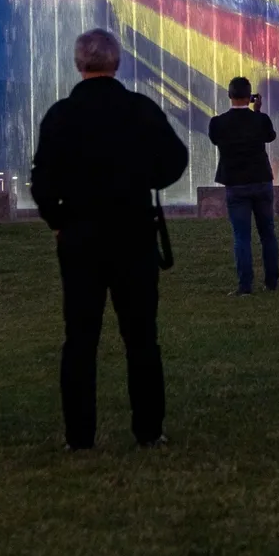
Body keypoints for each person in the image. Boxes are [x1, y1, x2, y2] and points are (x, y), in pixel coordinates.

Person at [31, 29, 189, 451]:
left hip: (80, 237)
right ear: (116, 63)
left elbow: (41, 181)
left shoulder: (61, 115)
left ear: (79, 64)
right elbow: (177, 159)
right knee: (141, 337)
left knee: (80, 338)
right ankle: (149, 431)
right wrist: (148, 178)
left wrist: (58, 220)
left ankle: (80, 437)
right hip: (133, 232)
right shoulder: (139, 109)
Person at [208, 77, 279, 295]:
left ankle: (245, 286)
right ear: (250, 98)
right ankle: (271, 283)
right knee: (268, 233)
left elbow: (215, 139)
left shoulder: (218, 123)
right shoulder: (260, 120)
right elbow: (269, 136)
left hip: (236, 185)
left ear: (229, 95)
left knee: (242, 236)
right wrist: (257, 112)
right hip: (261, 182)